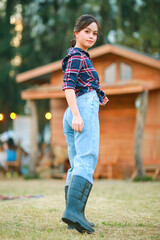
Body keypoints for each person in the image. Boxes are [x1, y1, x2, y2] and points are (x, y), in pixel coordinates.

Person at [61, 14, 109, 234]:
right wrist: (79, 114)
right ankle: (74, 213)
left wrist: (100, 94)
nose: (91, 36)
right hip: (80, 108)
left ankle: (73, 216)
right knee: (86, 158)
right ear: (77, 32)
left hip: (73, 109)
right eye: (87, 31)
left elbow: (83, 82)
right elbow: (69, 86)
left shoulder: (78, 57)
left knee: (76, 162)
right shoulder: (78, 56)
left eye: (95, 33)